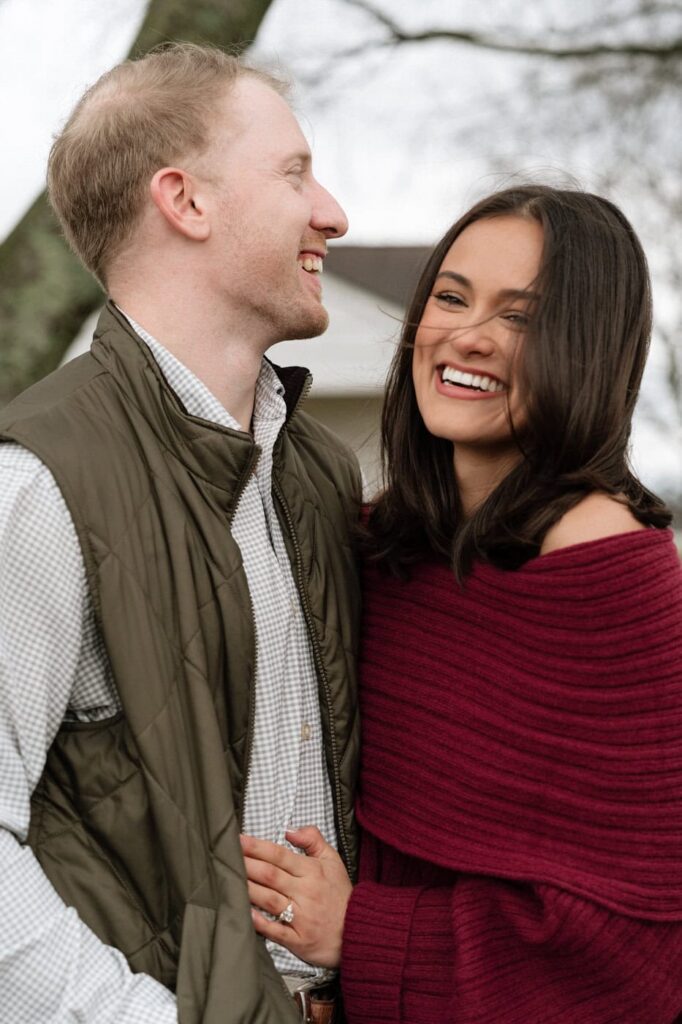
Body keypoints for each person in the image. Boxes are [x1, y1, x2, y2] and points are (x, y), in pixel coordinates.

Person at [240, 185, 682, 1023]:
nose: (467, 336)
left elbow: (642, 948)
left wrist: (365, 929)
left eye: (522, 317)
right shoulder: (381, 544)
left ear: (586, 349)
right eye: (451, 296)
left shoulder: (608, 572)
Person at [0, 44, 362, 1024]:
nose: (332, 212)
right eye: (293, 172)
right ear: (185, 201)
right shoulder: (38, 484)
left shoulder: (323, 477)